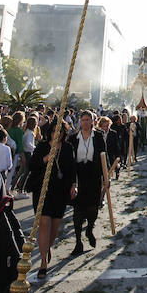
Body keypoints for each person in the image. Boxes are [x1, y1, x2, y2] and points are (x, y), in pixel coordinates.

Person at [27, 119, 76, 278]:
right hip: (43, 190)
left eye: (60, 131)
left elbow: (72, 168)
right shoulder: (42, 146)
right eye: (54, 131)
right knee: (44, 223)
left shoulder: (68, 148)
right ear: (50, 132)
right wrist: (47, 157)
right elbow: (32, 165)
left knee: (54, 227)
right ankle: (43, 263)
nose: (57, 134)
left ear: (63, 133)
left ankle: (47, 247)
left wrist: (73, 184)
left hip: (60, 191)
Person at [70, 111, 106, 256]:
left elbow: (104, 156)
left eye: (87, 120)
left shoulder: (98, 136)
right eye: (82, 120)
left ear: (92, 121)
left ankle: (90, 229)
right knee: (78, 212)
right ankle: (78, 241)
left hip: (93, 176)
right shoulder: (73, 139)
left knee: (92, 208)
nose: (84, 122)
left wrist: (106, 177)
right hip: (79, 176)